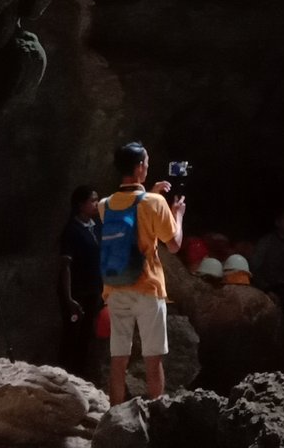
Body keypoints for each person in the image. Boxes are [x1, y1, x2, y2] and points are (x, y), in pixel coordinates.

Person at [103, 142, 185, 405]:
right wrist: (177, 215)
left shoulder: (106, 205)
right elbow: (174, 245)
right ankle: (157, 418)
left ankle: (113, 418)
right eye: (146, 163)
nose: (148, 167)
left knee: (118, 359)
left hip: (115, 289)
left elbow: (132, 211)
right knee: (153, 358)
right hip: (148, 287)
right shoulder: (155, 203)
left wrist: (151, 194)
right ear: (139, 167)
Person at [57, 186, 103, 380]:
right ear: (80, 204)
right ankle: (64, 377)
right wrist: (68, 297)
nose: (96, 204)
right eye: (92, 200)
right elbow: (65, 266)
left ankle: (81, 378)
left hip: (94, 289)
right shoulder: (72, 230)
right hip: (77, 291)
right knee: (72, 335)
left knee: (86, 336)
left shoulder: (97, 226)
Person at [251, 208, 284, 311]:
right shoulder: (266, 243)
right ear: (278, 223)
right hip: (270, 290)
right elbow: (254, 268)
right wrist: (266, 290)